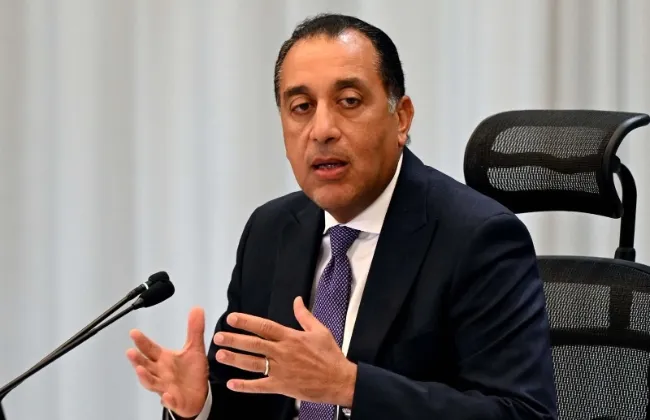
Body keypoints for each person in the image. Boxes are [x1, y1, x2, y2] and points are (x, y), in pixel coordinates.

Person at [126, 13, 558, 420]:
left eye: (349, 101)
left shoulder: (476, 238)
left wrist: (350, 387)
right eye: (301, 107)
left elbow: (520, 412)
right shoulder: (270, 231)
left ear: (401, 118)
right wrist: (200, 404)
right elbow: (247, 399)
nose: (322, 130)